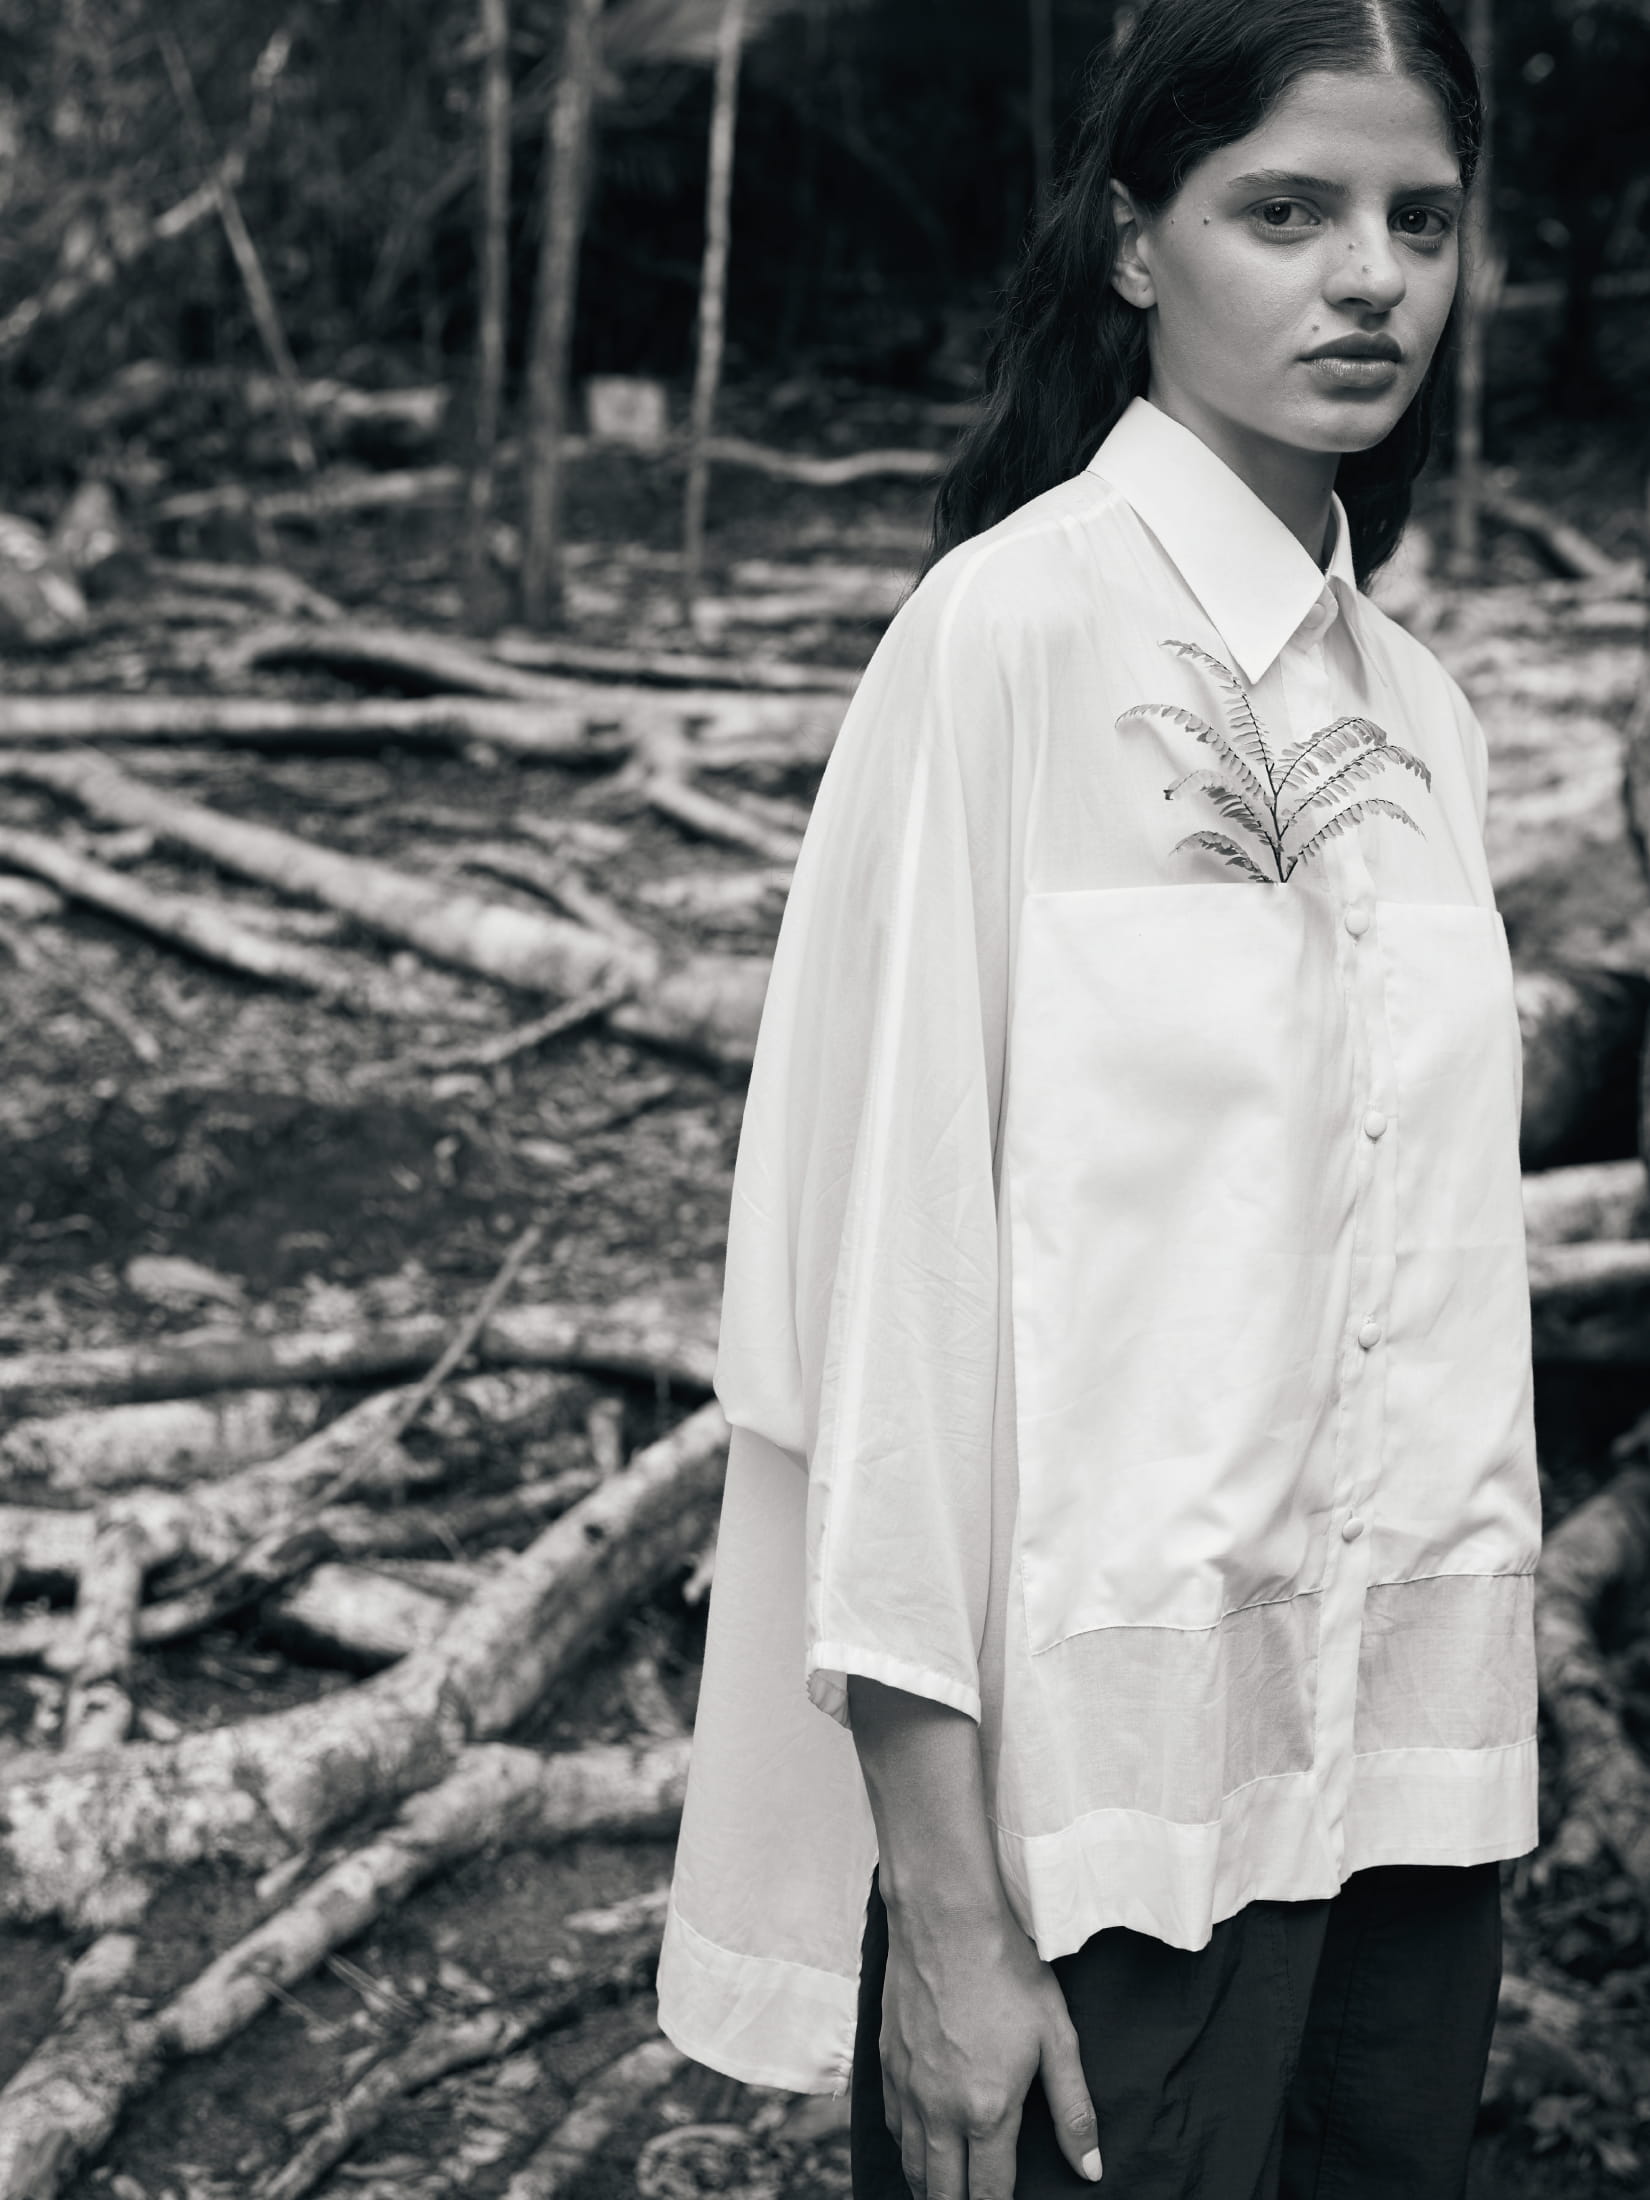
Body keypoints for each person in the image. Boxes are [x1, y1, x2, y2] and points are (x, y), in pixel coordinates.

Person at [657, 2, 1540, 2195]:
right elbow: (884, 1301)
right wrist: (948, 1910)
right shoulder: (1005, 642)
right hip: (1098, 1834)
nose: (1371, 277)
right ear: (1139, 243)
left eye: (1421, 219)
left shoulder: (1422, 720)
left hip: (1414, 1804)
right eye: (1287, 212)